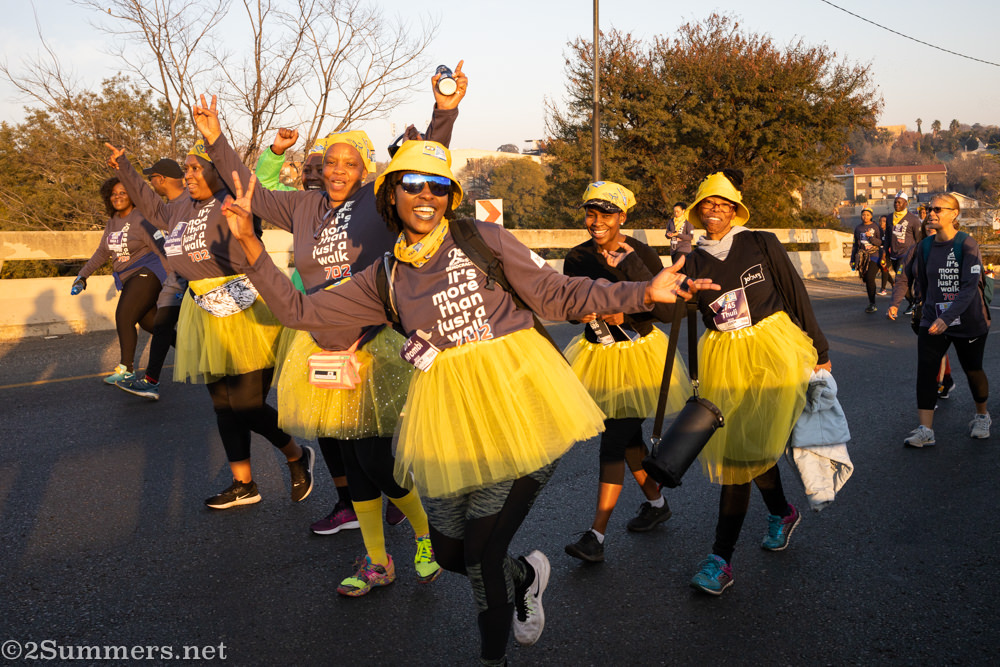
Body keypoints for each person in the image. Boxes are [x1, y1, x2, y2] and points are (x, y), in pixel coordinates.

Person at [220, 139, 716, 665]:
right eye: (413, 184)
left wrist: (641, 293)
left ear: (450, 196)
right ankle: (525, 576)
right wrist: (251, 246)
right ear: (391, 195)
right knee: (453, 552)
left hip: (520, 411)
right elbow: (299, 309)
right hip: (449, 420)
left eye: (438, 186)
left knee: (481, 555)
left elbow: (558, 294)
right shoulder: (384, 275)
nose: (426, 195)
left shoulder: (482, 239)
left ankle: (492, 656)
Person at [192, 76, 465, 592]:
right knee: (351, 462)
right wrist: (216, 140)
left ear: (365, 170)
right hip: (319, 347)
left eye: (349, 163)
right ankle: (377, 562)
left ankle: (425, 533)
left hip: (375, 345)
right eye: (329, 163)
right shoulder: (301, 207)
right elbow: (247, 188)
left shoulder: (381, 204)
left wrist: (443, 111)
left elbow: (425, 170)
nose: (336, 171)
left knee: (377, 461)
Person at [105, 139, 314, 510]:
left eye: (195, 167)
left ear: (217, 170)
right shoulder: (179, 208)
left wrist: (230, 144)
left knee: (248, 405)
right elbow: (150, 203)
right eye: (184, 169)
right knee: (223, 406)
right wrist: (124, 167)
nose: (187, 175)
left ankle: (296, 455)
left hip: (248, 311)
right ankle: (243, 483)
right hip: (204, 311)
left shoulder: (232, 198)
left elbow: (247, 175)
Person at [677, 170, 830, 596]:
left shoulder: (760, 242)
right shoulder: (690, 257)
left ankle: (720, 560)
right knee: (747, 449)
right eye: (708, 204)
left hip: (773, 348)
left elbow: (794, 290)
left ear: (735, 209)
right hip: (724, 356)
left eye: (723, 205)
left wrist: (821, 349)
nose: (715, 212)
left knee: (740, 457)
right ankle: (781, 512)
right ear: (698, 210)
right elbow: (676, 313)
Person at [561, 182, 691, 563]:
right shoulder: (577, 256)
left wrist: (628, 312)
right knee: (628, 438)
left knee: (612, 442)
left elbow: (669, 312)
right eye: (591, 214)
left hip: (637, 356)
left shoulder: (641, 254)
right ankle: (657, 503)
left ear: (622, 217)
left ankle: (596, 536)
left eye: (606, 215)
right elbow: (567, 307)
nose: (596, 222)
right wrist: (581, 312)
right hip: (597, 356)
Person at [887, 194, 991, 447]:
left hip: (968, 320)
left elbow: (969, 287)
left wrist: (949, 317)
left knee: (973, 369)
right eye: (928, 209)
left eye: (937, 209)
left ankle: (982, 416)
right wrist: (895, 301)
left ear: (954, 214)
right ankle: (926, 430)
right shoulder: (922, 247)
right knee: (926, 371)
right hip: (933, 318)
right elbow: (905, 277)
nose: (930, 213)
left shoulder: (967, 245)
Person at [72, 177, 167, 384]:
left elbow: (163, 249)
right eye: (114, 193)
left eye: (123, 192)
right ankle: (192, 349)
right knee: (152, 324)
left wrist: (174, 281)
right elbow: (102, 252)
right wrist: (82, 275)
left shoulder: (142, 218)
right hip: (128, 276)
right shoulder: (113, 221)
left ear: (133, 195)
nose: (118, 197)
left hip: (148, 271)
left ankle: (127, 369)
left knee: (124, 316)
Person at [116, 159, 190, 400]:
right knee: (162, 325)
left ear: (162, 179)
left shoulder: (193, 202)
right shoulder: (168, 208)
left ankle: (222, 369)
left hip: (199, 276)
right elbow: (144, 197)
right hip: (177, 278)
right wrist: (123, 167)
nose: (151, 183)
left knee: (209, 327)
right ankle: (151, 381)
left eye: (152, 178)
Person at [883, 192, 922, 314]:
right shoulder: (889, 218)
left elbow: (919, 239)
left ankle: (912, 303)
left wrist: (917, 256)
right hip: (894, 254)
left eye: (899, 202)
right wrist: (884, 253)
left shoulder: (913, 219)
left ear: (906, 203)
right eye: (895, 202)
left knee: (900, 280)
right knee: (904, 282)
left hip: (906, 255)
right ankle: (913, 302)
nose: (897, 204)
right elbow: (888, 237)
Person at [850, 206, 882, 313]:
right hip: (863, 257)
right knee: (865, 279)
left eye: (868, 215)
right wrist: (852, 260)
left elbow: (880, 242)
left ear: (871, 216)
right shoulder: (858, 228)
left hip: (874, 256)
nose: (865, 217)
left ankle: (873, 303)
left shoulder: (876, 227)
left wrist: (870, 238)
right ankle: (871, 300)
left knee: (869, 278)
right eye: (863, 215)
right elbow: (855, 245)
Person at [877, 214, 894, 295]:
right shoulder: (878, 231)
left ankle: (883, 288)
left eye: (884, 221)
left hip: (889, 254)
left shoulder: (890, 231)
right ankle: (893, 283)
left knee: (884, 268)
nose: (881, 223)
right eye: (880, 221)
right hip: (880, 254)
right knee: (885, 269)